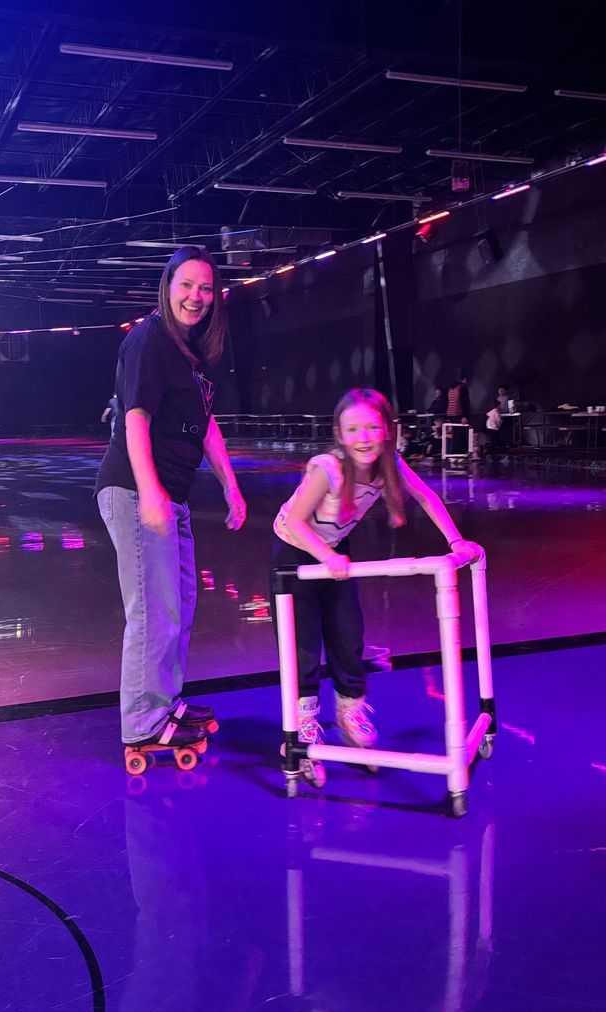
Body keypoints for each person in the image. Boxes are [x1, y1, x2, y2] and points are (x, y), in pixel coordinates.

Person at [270, 387, 475, 788]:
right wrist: (327, 558)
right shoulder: (328, 469)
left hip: (332, 549)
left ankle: (350, 711)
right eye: (353, 429)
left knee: (348, 632)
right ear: (340, 434)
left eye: (371, 427)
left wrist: (456, 542)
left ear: (386, 431)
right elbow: (295, 522)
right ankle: (302, 725)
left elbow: (427, 497)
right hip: (293, 552)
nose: (363, 437)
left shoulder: (388, 464)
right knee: (304, 642)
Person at [95, 245, 247, 758]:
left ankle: (165, 699)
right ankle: (141, 721)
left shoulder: (192, 352)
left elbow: (206, 426)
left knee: (178, 606)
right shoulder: (148, 340)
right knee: (153, 610)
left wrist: (230, 484)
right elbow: (134, 417)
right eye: (187, 285)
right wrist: (152, 493)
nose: (196, 296)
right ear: (168, 286)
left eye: (205, 288)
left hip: (170, 494)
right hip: (138, 490)